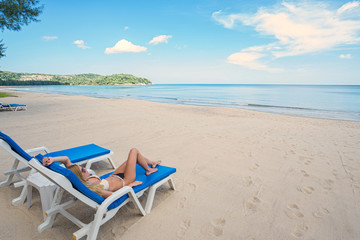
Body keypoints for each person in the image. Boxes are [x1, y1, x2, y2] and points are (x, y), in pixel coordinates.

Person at [42, 148, 161, 198]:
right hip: (126, 180)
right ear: (80, 177)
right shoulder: (92, 188)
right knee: (133, 151)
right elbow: (113, 196)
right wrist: (130, 186)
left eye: (82, 167)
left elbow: (66, 160)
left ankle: (152, 162)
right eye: (83, 170)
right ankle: (148, 169)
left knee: (133, 157)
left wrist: (52, 159)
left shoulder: (77, 177)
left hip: (115, 175)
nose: (85, 169)